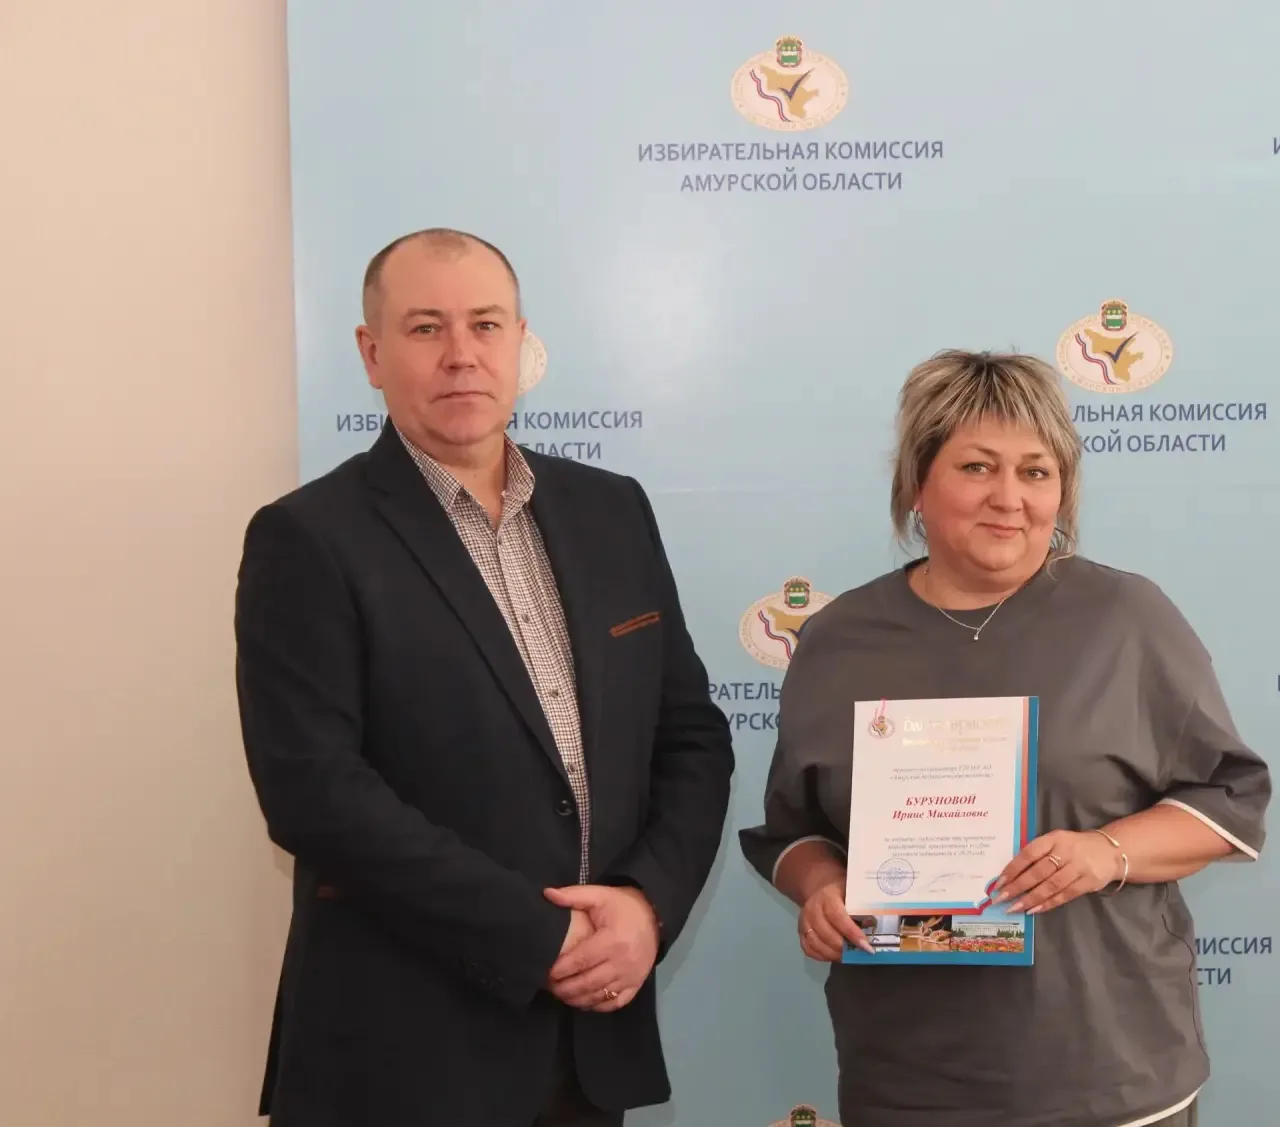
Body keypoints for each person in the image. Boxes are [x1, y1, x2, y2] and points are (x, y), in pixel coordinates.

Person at [234, 228, 734, 1126]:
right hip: (401, 1059)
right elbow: (314, 792)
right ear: (371, 353)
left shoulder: (612, 509)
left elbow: (690, 735)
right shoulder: (308, 538)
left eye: (486, 324)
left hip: (587, 1051)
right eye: (426, 327)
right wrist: (538, 935)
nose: (462, 353)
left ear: (521, 343)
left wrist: (645, 905)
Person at [738, 349, 1270, 1127]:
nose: (1010, 498)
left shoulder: (1127, 620)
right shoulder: (838, 639)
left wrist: (1105, 852)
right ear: (918, 484)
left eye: (1036, 471)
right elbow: (795, 830)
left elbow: (1230, 798)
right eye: (978, 466)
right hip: (908, 1077)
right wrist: (819, 886)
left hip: (1109, 1074)